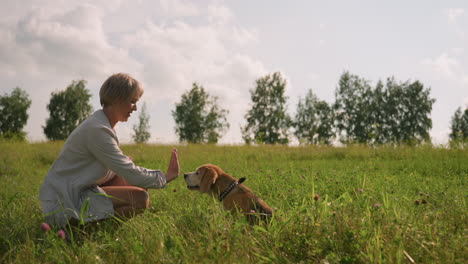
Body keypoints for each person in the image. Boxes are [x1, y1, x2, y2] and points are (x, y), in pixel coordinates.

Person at [38, 73, 179, 227]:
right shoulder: (97, 130)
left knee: (133, 183)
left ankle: (93, 227)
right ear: (118, 99)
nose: (135, 108)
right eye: (132, 102)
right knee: (140, 197)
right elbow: (130, 172)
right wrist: (165, 177)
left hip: (78, 191)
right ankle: (87, 233)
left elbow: (118, 170)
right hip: (66, 202)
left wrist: (126, 164)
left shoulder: (101, 125)